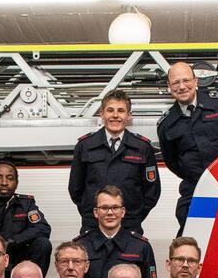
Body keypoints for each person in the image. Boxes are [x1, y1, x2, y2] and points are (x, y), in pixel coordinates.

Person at [157, 62, 218, 233]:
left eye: (186, 80)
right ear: (169, 87)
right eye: (176, 82)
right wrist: (196, 175)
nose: (182, 86)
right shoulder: (167, 124)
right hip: (196, 187)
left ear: (196, 81)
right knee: (193, 233)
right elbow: (172, 162)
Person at [69, 91, 161, 234]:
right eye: (110, 110)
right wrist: (91, 213)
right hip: (93, 225)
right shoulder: (85, 146)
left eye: (121, 111)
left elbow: (152, 191)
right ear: (102, 114)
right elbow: (75, 189)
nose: (115, 115)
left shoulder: (142, 147)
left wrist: (134, 215)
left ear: (128, 115)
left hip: (130, 224)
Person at [0, 160, 52, 273]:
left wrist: (13, 241)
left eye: (10, 178)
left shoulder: (26, 204)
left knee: (43, 243)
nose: (4, 183)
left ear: (16, 182)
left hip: (21, 259)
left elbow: (42, 228)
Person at [78, 186, 157, 278]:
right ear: (96, 212)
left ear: (123, 212)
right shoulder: (81, 246)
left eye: (115, 207)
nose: (110, 213)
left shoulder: (141, 246)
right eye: (104, 208)